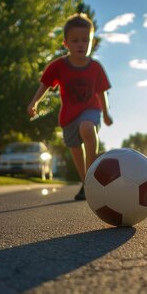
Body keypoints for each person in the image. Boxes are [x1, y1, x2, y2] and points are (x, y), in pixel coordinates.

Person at [27, 13, 113, 201]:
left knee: (87, 128)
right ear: (66, 43)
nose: (81, 44)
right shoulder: (58, 66)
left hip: (91, 110)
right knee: (74, 149)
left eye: (85, 40)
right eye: (75, 40)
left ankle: (91, 172)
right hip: (68, 116)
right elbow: (45, 85)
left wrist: (106, 114)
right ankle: (86, 184)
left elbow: (101, 93)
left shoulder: (95, 67)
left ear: (92, 42)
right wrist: (35, 102)